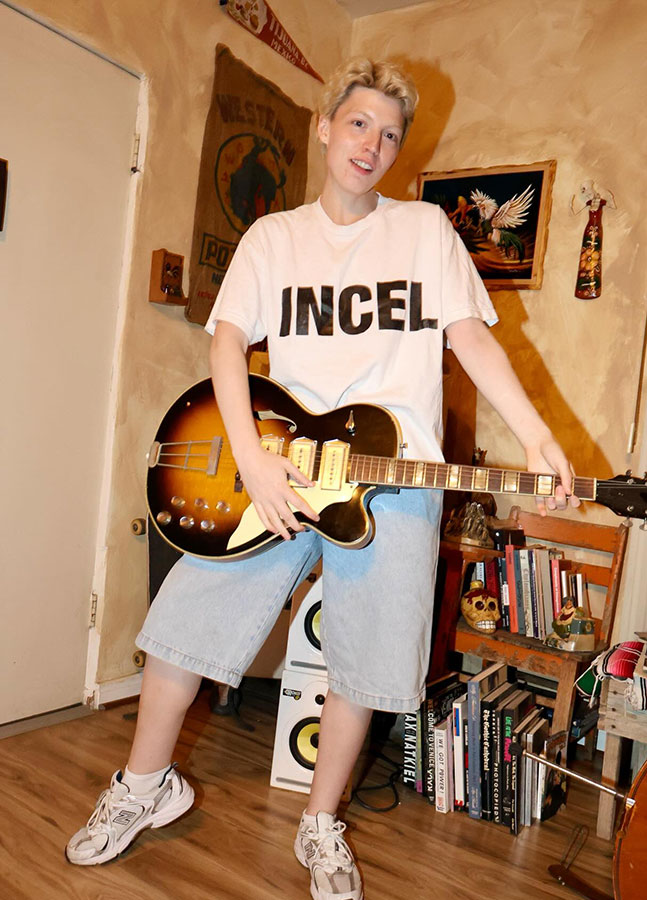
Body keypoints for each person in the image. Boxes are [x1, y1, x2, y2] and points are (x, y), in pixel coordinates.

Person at [65, 58, 579, 899]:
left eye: (390, 134)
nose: (371, 143)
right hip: (285, 471)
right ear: (326, 126)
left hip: (396, 482)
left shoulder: (426, 231)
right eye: (359, 123)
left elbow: (471, 339)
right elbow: (226, 342)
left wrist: (539, 437)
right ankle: (144, 786)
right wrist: (253, 458)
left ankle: (320, 823)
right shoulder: (274, 238)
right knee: (184, 621)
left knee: (364, 664)